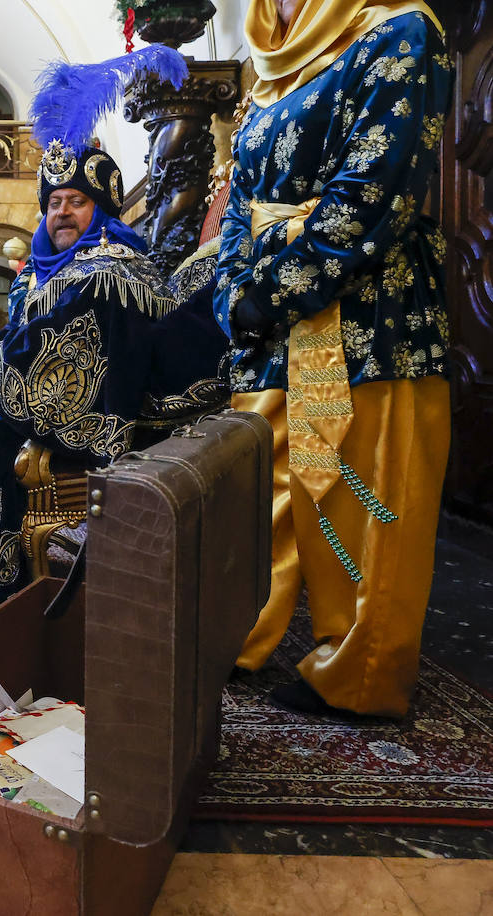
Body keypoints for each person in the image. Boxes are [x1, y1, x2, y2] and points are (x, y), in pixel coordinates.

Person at [216, 0, 453, 718]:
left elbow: (374, 192)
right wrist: (232, 289)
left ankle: (362, 674)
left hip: (367, 318)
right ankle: (233, 636)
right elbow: (239, 194)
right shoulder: (269, 59)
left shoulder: (402, 30)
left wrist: (271, 293)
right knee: (260, 488)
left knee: (360, 499)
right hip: (274, 317)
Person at [0, 46, 228, 615]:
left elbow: (56, 360)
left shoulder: (107, 271)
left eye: (77, 201)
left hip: (106, 416)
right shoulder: (47, 270)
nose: (63, 213)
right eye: (54, 203)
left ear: (100, 212)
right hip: (71, 403)